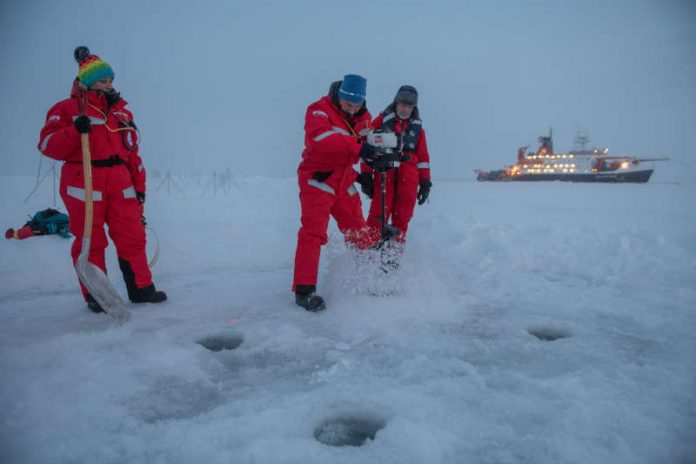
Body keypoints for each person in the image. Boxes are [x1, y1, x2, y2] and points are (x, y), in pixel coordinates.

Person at [38, 46, 166, 313]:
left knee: (132, 237)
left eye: (110, 80)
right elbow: (47, 144)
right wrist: (74, 131)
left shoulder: (121, 113)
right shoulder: (66, 109)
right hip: (83, 180)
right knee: (90, 240)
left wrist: (139, 190)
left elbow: (133, 155)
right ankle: (98, 296)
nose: (108, 85)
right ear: (86, 81)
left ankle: (141, 289)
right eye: (102, 80)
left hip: (121, 183)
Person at [292, 74, 395, 312]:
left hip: (345, 181)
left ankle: (366, 280)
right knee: (313, 234)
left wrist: (368, 172)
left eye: (357, 105)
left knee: (358, 231)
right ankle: (304, 290)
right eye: (348, 104)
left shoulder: (365, 118)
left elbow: (369, 146)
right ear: (339, 96)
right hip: (318, 180)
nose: (352, 109)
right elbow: (322, 140)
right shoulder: (318, 111)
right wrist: (360, 148)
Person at [358, 85, 432, 243]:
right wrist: (366, 175)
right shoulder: (380, 121)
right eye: (402, 104)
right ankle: (370, 254)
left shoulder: (419, 131)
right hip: (385, 175)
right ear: (396, 103)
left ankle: (392, 259)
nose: (405, 109)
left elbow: (423, 159)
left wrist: (425, 182)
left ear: (414, 108)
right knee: (377, 216)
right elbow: (366, 147)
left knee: (402, 219)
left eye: (409, 106)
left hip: (409, 181)